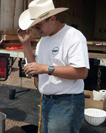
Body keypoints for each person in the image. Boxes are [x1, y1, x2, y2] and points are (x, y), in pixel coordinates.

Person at [17, 0, 90, 133]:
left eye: (38, 26)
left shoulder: (73, 36)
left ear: (52, 19)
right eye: (33, 27)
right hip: (47, 100)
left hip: (66, 103)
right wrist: (26, 44)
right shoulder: (43, 40)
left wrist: (46, 68)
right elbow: (34, 64)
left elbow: (81, 72)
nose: (36, 31)